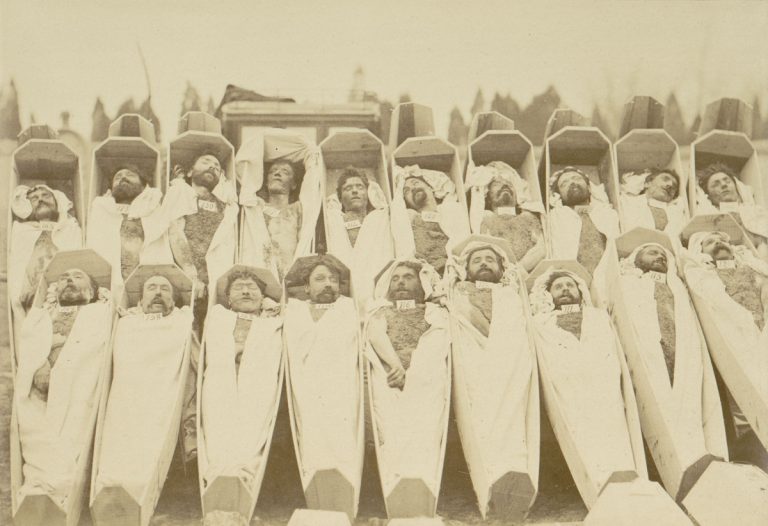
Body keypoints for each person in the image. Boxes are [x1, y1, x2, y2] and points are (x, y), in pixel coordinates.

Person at [612, 242, 727, 495]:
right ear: (636, 259)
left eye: (663, 255)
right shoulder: (630, 284)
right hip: (652, 354)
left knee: (690, 408)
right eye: (652, 252)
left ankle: (699, 466)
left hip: (683, 353)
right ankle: (676, 469)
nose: (659, 257)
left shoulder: (676, 286)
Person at [528, 266, 641, 497]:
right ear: (548, 294)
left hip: (603, 388)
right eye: (558, 287)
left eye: (570, 285)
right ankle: (599, 488)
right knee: (583, 434)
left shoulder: (598, 317)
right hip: (569, 391)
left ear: (580, 291)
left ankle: (626, 481)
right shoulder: (541, 323)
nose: (565, 289)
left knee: (614, 431)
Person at [445, 239, 537, 518]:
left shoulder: (510, 294)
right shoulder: (459, 292)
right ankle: (492, 480)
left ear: (501, 268)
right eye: (477, 260)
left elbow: (514, 329)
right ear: (467, 269)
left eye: (489, 260)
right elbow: (465, 322)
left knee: (511, 412)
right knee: (484, 411)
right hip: (477, 361)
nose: (484, 263)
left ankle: (515, 475)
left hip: (509, 361)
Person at [14, 265, 112, 509]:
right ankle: (41, 481)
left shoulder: (98, 313)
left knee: (75, 421)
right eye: (64, 277)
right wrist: (40, 365)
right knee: (34, 426)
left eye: (78, 277)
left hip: (78, 381)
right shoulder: (42, 315)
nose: (69, 279)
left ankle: (59, 485)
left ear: (91, 292)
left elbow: (94, 349)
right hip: (40, 388)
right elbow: (29, 343)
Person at [94, 273, 193, 503]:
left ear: (174, 301)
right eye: (151, 288)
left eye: (165, 289)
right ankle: (110, 484)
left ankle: (137, 488)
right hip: (126, 392)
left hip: (161, 392)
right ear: (140, 300)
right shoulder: (127, 323)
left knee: (150, 429)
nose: (158, 292)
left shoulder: (180, 321)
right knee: (121, 430)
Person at [364, 259, 450, 517]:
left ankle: (421, 487)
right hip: (390, 377)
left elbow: (438, 342)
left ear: (420, 282)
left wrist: (413, 374)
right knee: (391, 428)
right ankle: (397, 487)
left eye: (408, 277)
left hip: (424, 379)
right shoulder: (380, 311)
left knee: (425, 427)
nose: (401, 282)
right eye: (396, 278)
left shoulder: (435, 312)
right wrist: (395, 366)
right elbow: (375, 336)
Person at [199, 267, 283, 525]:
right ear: (228, 298)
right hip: (221, 381)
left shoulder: (273, 320)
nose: (246, 291)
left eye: (253, 288)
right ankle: (217, 477)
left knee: (252, 427)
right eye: (239, 287)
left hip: (257, 381)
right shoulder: (218, 315)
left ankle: (243, 476)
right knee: (218, 427)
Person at [283, 255, 362, 516]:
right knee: (313, 434)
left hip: (340, 385)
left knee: (341, 432)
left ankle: (343, 495)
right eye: (320, 279)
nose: (328, 284)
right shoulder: (292, 310)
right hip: (305, 384)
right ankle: (320, 496)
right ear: (306, 287)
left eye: (333, 279)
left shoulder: (350, 308)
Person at [683, 230, 768, 463]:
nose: (720, 243)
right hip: (734, 340)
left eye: (723, 239)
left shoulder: (753, 269)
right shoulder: (703, 275)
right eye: (710, 242)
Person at [165, 152, 238, 329]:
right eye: (205, 161)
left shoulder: (227, 205)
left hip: (214, 283)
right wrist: (191, 274)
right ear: (190, 172)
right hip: (183, 277)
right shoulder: (181, 192)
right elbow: (174, 233)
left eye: (217, 166)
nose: (212, 166)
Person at [236, 134, 322, 280]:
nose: (277, 173)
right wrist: (262, 140)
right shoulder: (253, 207)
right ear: (265, 180)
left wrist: (308, 151)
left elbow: (312, 175)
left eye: (285, 172)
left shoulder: (299, 209)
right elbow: (246, 161)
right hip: (260, 276)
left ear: (294, 184)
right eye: (272, 171)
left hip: (290, 277)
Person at [86, 164, 172, 299]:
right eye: (117, 177)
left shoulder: (155, 207)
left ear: (144, 185)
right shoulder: (101, 209)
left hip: (151, 287)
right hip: (107, 289)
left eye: (130, 175)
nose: (123, 178)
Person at [325, 166, 393, 312]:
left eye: (360, 187)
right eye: (348, 188)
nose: (354, 191)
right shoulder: (334, 219)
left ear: (368, 194)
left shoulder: (379, 218)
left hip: (376, 286)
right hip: (346, 289)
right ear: (340, 197)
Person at [9, 184, 82, 313]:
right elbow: (17, 266)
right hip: (28, 303)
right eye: (34, 198)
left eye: (46, 195)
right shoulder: (21, 231)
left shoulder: (70, 229)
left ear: (57, 202)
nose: (40, 200)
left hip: (61, 301)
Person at [465, 161, 546, 271]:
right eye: (496, 184)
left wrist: (519, 269)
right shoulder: (485, 217)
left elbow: (542, 248)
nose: (505, 185)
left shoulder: (529, 218)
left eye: (509, 184)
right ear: (487, 197)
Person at [390, 165, 470, 275]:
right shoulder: (410, 217)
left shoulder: (452, 210)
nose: (412, 189)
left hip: (454, 270)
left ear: (431, 188)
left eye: (415, 183)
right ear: (406, 201)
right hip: (425, 272)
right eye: (406, 191)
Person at [547, 166, 620, 275]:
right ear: (559, 196)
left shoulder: (607, 213)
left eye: (576, 178)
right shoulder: (555, 218)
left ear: (590, 188)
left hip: (610, 275)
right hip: (573, 277)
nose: (572, 183)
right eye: (564, 184)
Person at [695, 163, 768, 260]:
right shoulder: (706, 218)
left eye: (727, 181)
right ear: (708, 196)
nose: (724, 185)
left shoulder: (756, 212)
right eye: (716, 184)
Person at [619, 168, 688, 236]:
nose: (670, 184)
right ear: (647, 183)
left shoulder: (677, 213)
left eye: (674, 186)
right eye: (665, 179)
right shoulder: (627, 202)